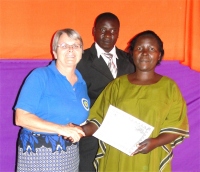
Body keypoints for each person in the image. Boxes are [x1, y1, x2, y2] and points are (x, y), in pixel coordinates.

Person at [79, 30, 189, 171]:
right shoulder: (117, 85)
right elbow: (98, 118)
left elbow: (176, 125)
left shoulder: (169, 88)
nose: (144, 53)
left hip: (151, 155)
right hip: (116, 155)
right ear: (132, 53)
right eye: (139, 48)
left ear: (159, 55)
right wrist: (79, 131)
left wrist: (155, 142)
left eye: (151, 49)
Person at [14, 28, 90, 171]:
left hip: (70, 158)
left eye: (76, 45)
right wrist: (61, 129)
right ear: (54, 52)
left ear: (81, 52)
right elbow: (21, 118)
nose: (70, 50)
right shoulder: (39, 76)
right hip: (39, 157)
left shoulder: (82, 83)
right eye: (64, 46)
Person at [77, 12, 135, 171]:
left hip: (123, 134)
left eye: (113, 31)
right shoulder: (80, 60)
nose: (108, 35)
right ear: (94, 31)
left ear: (118, 33)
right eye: (103, 30)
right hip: (92, 134)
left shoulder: (130, 60)